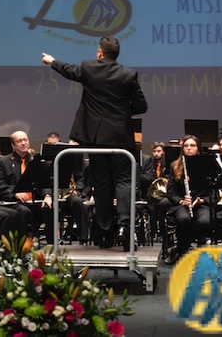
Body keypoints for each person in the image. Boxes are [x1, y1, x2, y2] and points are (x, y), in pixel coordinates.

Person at [42, 35, 148, 250]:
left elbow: (69, 70)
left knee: (102, 185)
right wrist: (120, 112)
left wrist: (52, 61)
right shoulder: (128, 74)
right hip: (120, 136)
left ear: (100, 53)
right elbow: (141, 106)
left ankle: (105, 234)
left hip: (96, 137)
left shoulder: (89, 68)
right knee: (124, 181)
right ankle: (125, 228)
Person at [165, 135, 213, 263]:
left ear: (198, 148)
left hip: (201, 203)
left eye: (192, 145)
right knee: (184, 219)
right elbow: (171, 192)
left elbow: (213, 191)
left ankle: (180, 248)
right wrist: (182, 201)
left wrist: (202, 200)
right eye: (186, 146)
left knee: (205, 221)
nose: (189, 148)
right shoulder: (175, 165)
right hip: (182, 204)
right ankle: (182, 253)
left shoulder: (206, 165)